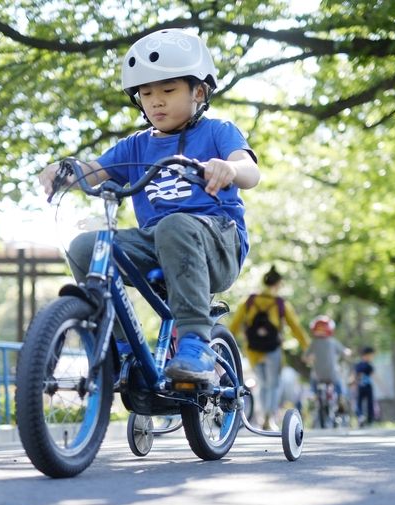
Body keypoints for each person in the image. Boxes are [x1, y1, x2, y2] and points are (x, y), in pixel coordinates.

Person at [38, 29, 260, 385]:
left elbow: (250, 170)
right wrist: (64, 171)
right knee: (86, 247)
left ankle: (196, 343)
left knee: (175, 224)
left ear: (199, 92)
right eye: (146, 93)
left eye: (168, 91)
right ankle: (120, 349)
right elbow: (92, 172)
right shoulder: (136, 146)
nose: (156, 101)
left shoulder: (218, 131)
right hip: (156, 243)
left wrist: (230, 168)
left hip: (217, 244)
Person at [229, 266, 310, 430]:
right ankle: (269, 417)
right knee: (273, 384)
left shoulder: (249, 301)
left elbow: (234, 325)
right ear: (278, 284)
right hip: (273, 350)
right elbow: (296, 327)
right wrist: (307, 347)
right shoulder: (280, 303)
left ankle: (263, 416)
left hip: (253, 351)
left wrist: (225, 343)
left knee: (263, 384)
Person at [304, 316, 350, 427]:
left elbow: (305, 357)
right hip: (332, 373)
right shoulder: (332, 341)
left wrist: (310, 359)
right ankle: (341, 398)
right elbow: (345, 352)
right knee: (339, 382)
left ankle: (314, 394)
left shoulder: (313, 343)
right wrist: (348, 353)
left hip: (318, 375)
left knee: (313, 377)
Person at [354, 346, 376, 426]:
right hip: (361, 386)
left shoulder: (368, 365)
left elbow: (373, 376)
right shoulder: (360, 365)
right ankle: (361, 417)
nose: (371, 357)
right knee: (359, 402)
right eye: (371, 355)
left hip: (367, 386)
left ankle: (369, 419)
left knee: (369, 402)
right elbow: (356, 376)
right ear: (365, 355)